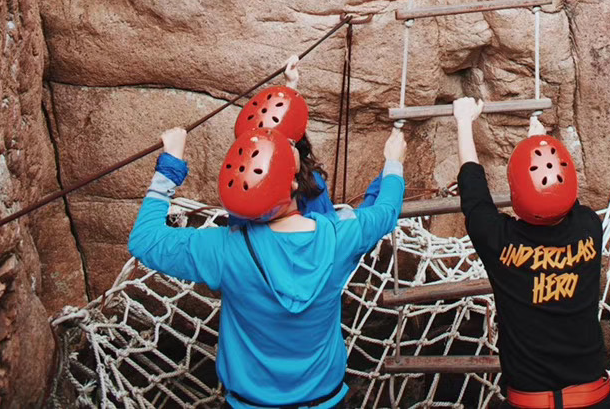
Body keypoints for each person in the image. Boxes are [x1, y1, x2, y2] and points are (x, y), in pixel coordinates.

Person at [128, 111, 406, 409]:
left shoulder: (224, 248)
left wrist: (171, 164)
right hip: (326, 400)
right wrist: (393, 162)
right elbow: (386, 210)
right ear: (295, 184)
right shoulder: (342, 234)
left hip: (249, 403)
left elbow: (145, 239)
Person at [452, 97, 610, 409]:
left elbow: (473, 193)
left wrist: (463, 121)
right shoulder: (590, 228)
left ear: (515, 194)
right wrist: (538, 141)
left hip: (530, 402)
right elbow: (563, 196)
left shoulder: (499, 241)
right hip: (595, 399)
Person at [233, 81, 384, 221]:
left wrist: (290, 87)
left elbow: (275, 138)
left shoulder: (239, 191)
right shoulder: (308, 183)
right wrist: (389, 173)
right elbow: (332, 233)